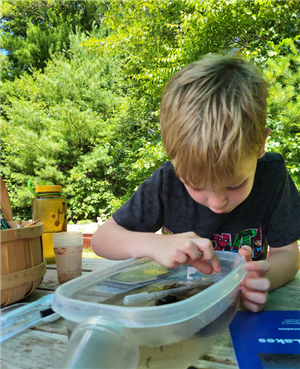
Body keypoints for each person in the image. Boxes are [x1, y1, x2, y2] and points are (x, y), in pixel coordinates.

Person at [91, 55, 300, 313]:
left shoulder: (273, 176)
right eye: (196, 186)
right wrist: (154, 245)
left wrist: (261, 280)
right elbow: (102, 239)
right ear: (172, 156)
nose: (217, 202)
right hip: (176, 308)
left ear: (260, 146)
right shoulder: (167, 181)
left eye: (234, 185)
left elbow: (289, 254)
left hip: (239, 315)